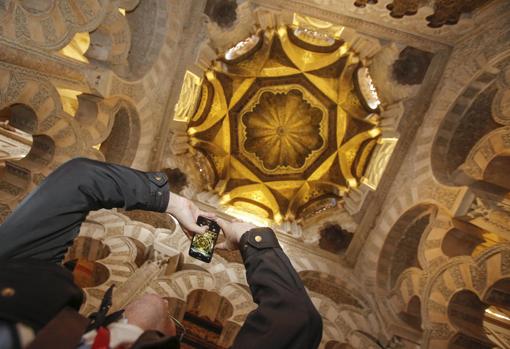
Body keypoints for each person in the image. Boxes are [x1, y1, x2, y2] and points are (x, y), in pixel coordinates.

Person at [0, 158, 323, 348]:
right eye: (175, 327)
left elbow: (79, 179)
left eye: (175, 328)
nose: (168, 306)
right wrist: (177, 204)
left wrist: (250, 238)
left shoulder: (16, 279)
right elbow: (296, 320)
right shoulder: (35, 297)